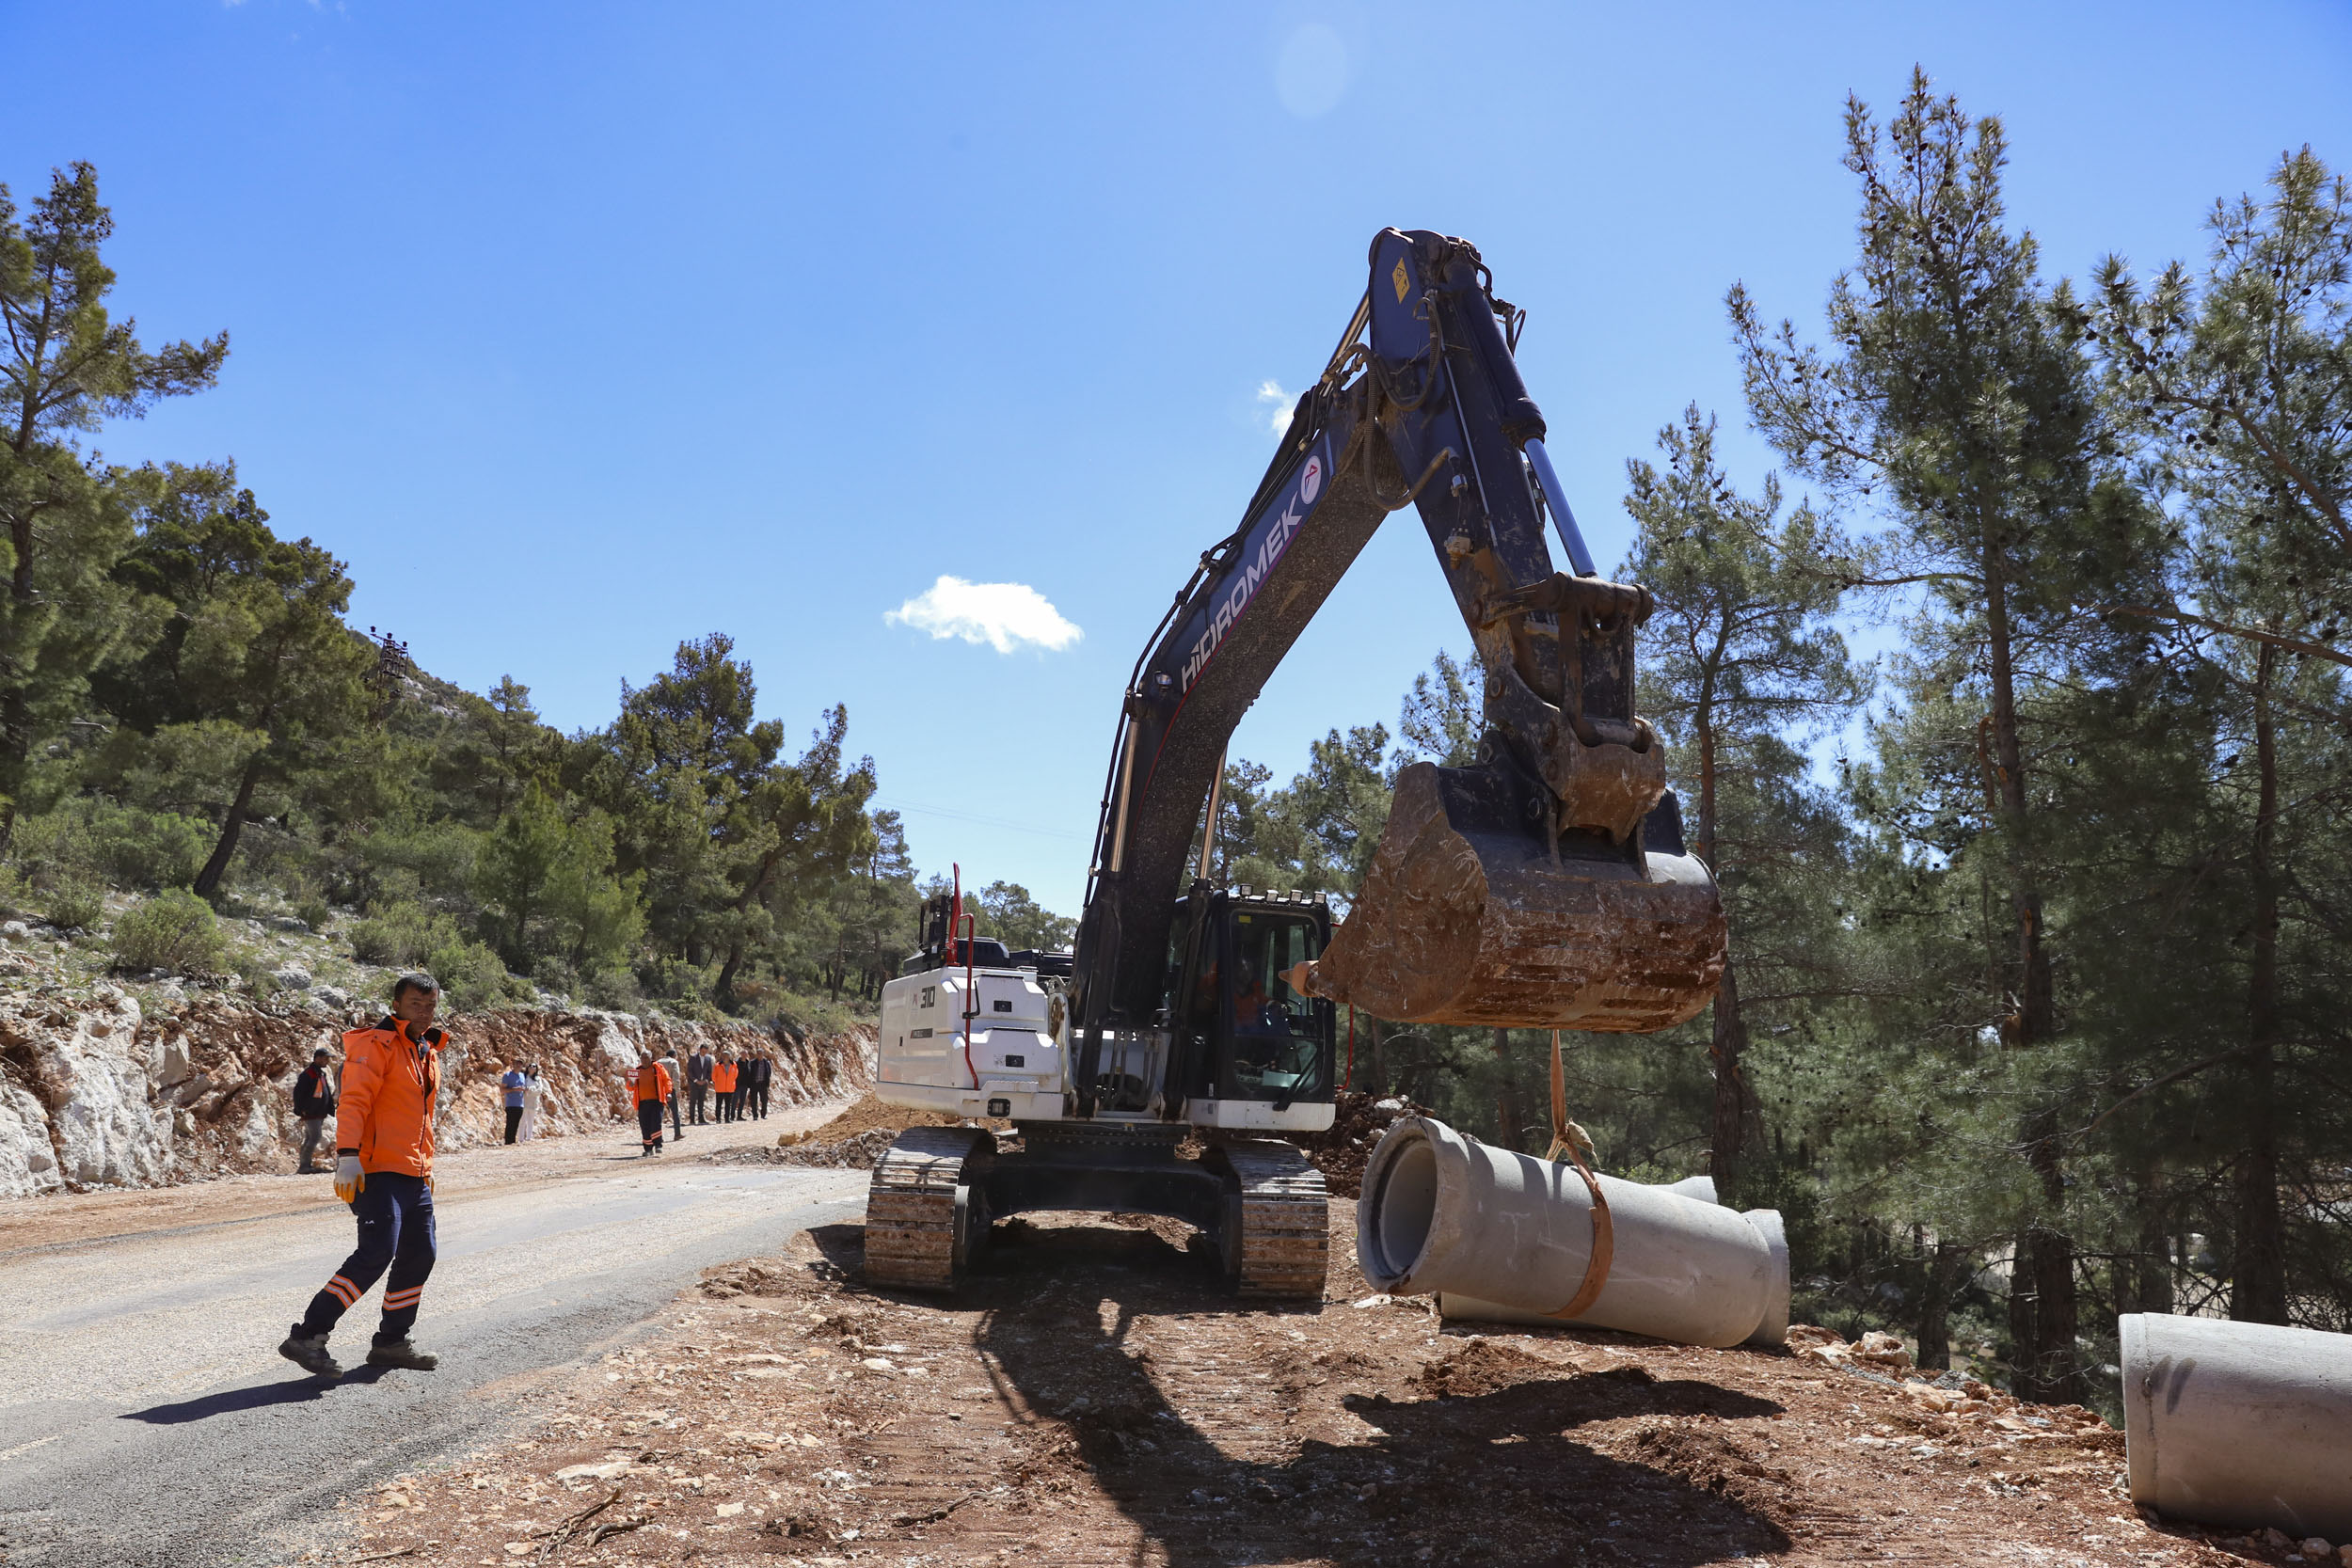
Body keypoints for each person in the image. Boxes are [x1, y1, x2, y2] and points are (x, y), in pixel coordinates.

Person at [278, 974, 448, 1380]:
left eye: (429, 1005)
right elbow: (354, 1103)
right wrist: (348, 1156)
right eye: (414, 1005)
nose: (423, 1013)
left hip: (412, 1171)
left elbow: (419, 1120)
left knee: (420, 1253)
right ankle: (308, 1335)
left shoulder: (426, 1051)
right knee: (376, 1252)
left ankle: (392, 1341)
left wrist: (426, 1168)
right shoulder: (376, 1045)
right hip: (374, 1169)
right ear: (397, 1004)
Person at [292, 1047, 337, 1174]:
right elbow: (298, 1093)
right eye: (325, 1058)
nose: (327, 1060)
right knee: (315, 1137)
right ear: (317, 1058)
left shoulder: (320, 1073)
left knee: (309, 1138)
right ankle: (304, 1166)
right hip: (311, 1112)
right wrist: (301, 1109)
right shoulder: (308, 1074)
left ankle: (305, 1165)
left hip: (318, 1112)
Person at [633, 1053, 673, 1155]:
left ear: (651, 1058)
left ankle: (658, 1145)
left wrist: (668, 1093)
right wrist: (630, 1083)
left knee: (655, 1124)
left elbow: (667, 1080)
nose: (644, 1060)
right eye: (642, 1058)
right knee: (644, 1125)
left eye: (646, 1058)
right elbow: (630, 1087)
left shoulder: (658, 1068)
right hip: (642, 1103)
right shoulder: (637, 1070)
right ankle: (648, 1149)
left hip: (656, 1101)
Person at [657, 1048, 684, 1144]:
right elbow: (676, 1078)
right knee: (675, 1112)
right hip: (670, 1089)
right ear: (674, 1055)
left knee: (659, 1113)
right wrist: (677, 1090)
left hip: (659, 1090)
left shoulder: (658, 1062)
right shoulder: (673, 1062)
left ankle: (658, 1137)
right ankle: (677, 1134)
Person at [500, 1061, 527, 1144]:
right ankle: (508, 1142)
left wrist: (525, 1089)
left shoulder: (522, 1076)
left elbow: (523, 1088)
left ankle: (512, 1142)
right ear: (513, 1065)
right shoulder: (507, 1075)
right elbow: (502, 1090)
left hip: (520, 1104)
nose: (518, 1065)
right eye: (517, 1063)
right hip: (511, 1104)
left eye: (520, 1064)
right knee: (510, 1124)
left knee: (516, 1124)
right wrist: (514, 1089)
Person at [517, 1063, 545, 1142]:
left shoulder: (538, 1079)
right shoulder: (523, 1077)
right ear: (528, 1068)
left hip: (533, 1102)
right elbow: (521, 1087)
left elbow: (540, 1090)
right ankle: (521, 1138)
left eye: (534, 1066)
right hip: (524, 1101)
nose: (532, 1067)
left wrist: (531, 1090)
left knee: (530, 1120)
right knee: (522, 1120)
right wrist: (526, 1090)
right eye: (530, 1066)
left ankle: (529, 1137)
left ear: (536, 1069)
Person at [687, 1046, 713, 1124]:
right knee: (693, 1101)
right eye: (703, 1051)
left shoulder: (708, 1059)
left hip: (704, 1083)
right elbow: (689, 1070)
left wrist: (706, 1080)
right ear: (700, 1050)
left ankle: (701, 1118)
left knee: (701, 1100)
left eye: (705, 1051)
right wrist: (695, 1080)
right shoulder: (693, 1058)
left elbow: (709, 1071)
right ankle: (692, 1119)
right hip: (694, 1083)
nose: (704, 1053)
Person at [711, 1052, 739, 1123]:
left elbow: (735, 1075)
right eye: (723, 1056)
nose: (724, 1057)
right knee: (719, 1104)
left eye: (726, 1056)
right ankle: (718, 1118)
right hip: (720, 1088)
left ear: (729, 1057)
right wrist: (718, 1082)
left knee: (728, 1104)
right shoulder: (717, 1065)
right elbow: (713, 1077)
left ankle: (727, 1118)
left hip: (730, 1088)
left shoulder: (734, 1065)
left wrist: (731, 1082)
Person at [747, 1052, 771, 1119]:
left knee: (764, 1100)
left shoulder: (766, 1063)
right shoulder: (752, 1062)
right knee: (753, 1100)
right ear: (756, 1054)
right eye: (758, 1053)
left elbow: (769, 1072)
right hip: (754, 1084)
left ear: (763, 1054)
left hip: (763, 1084)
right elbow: (749, 1072)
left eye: (760, 1053)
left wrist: (767, 1081)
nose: (759, 1055)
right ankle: (755, 1115)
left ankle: (763, 1114)